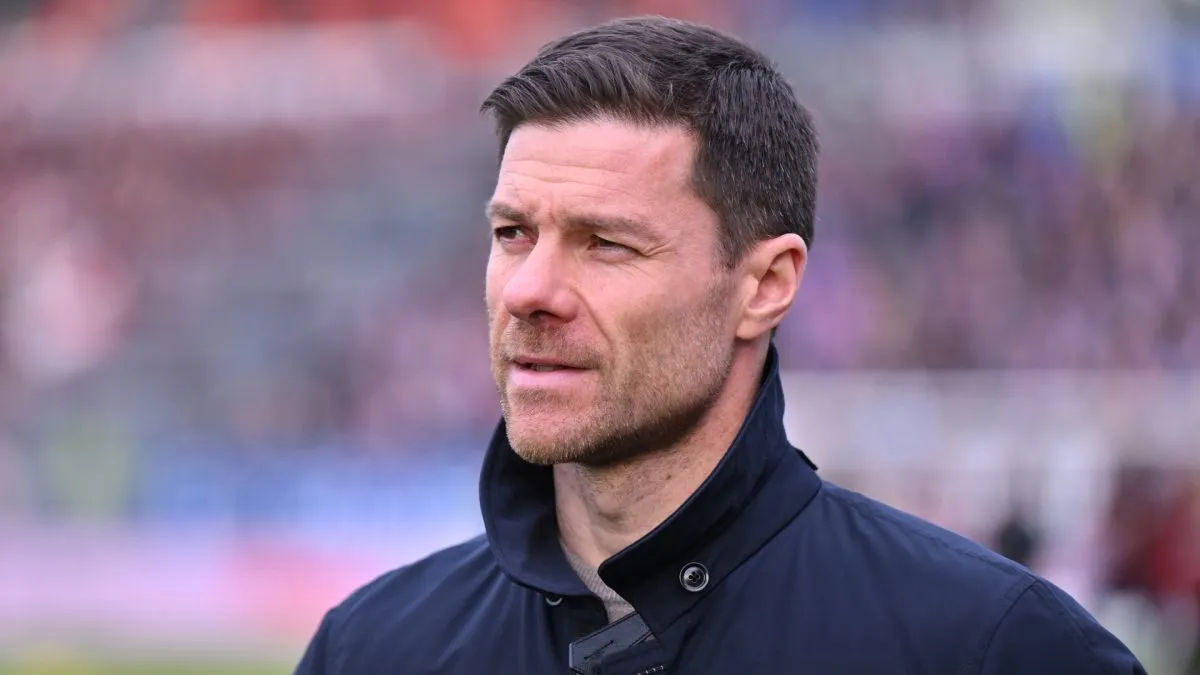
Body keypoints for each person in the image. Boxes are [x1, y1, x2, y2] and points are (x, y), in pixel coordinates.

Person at [294, 16, 1146, 675]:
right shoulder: (370, 648)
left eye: (607, 243)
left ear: (766, 284)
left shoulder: (992, 646)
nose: (529, 291)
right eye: (514, 233)